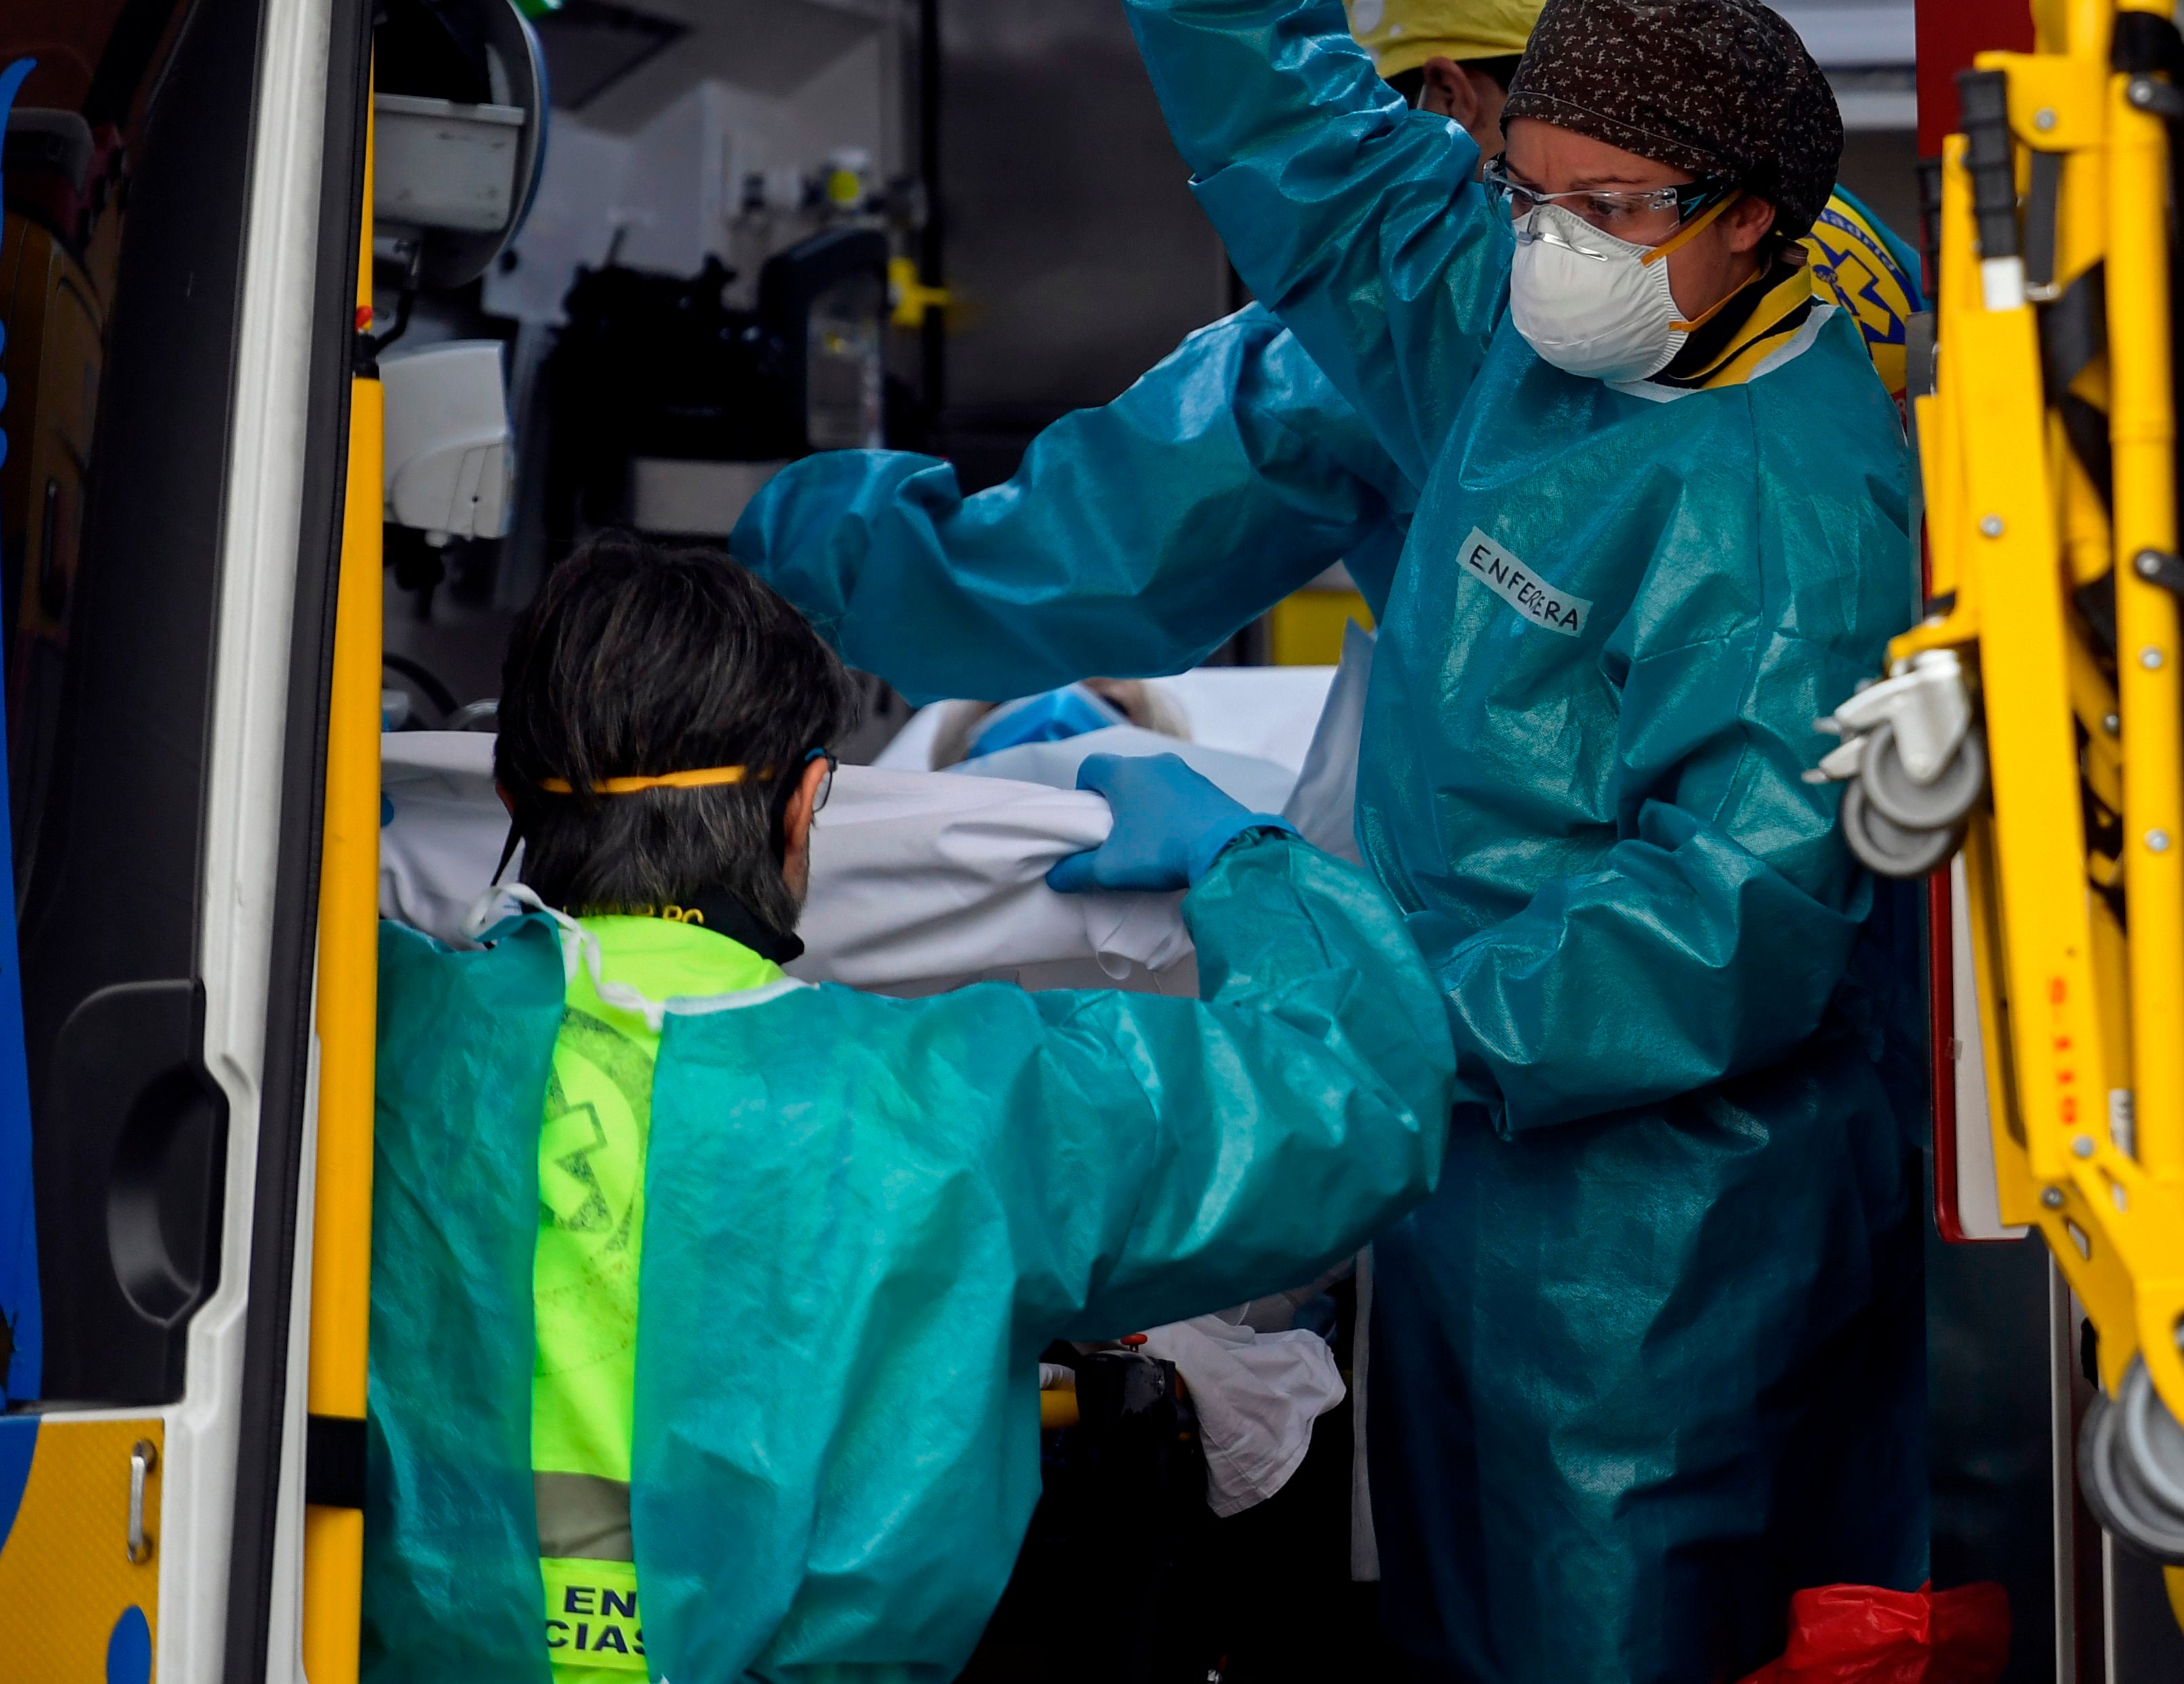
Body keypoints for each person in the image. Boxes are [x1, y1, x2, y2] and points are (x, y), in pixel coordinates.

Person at [1067, 0, 1927, 1684]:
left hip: (1650, 1227)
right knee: (1445, 1624)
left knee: (1597, 1619)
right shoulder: (1521, 310)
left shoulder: (1792, 501)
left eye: (1604, 203)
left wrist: (1329, 964)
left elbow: (1720, 926)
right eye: (1525, 183)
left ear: (1757, 220)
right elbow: (1327, 165)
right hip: (1457, 1159)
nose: (1546, 236)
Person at [362, 536, 1453, 1684]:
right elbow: (1357, 1096)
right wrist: (1246, 861)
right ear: (807, 803)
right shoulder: (960, 1104)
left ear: (504, 795)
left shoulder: (374, 1028)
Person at [732, 0, 1924, 706]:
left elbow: (1086, 561)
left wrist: (789, 561)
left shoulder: (1433, 313)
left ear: (1447, 96)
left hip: (1569, 875)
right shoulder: (1827, 239)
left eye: (1378, 112)